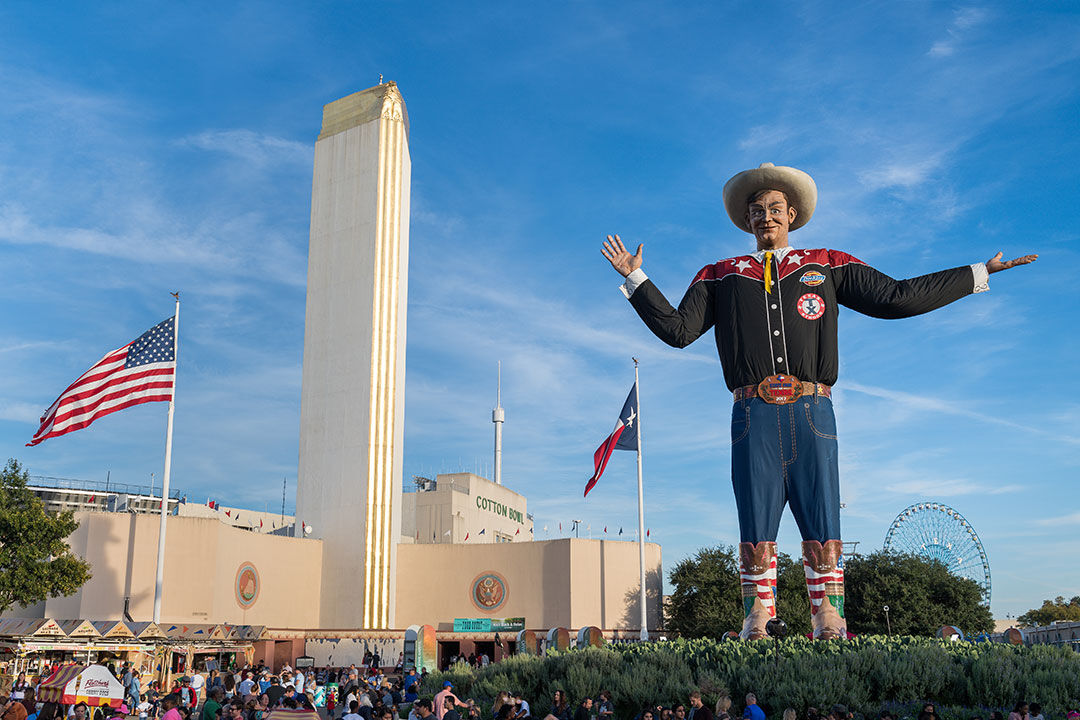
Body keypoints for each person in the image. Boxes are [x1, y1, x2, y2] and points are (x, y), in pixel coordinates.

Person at [601, 162, 1037, 639]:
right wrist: (636, 278)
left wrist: (978, 272)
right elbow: (678, 331)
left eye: (774, 208)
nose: (765, 217)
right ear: (746, 221)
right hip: (752, 410)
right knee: (755, 513)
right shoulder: (720, 275)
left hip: (813, 408)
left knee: (822, 509)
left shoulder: (826, 263)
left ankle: (828, 612)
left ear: (792, 214)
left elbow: (895, 296)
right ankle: (758, 614)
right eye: (755, 211)